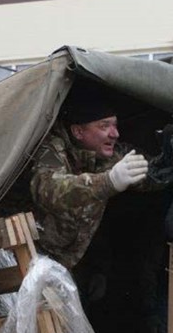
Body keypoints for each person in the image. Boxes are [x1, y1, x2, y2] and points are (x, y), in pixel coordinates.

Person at [28, 92, 150, 271]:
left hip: (70, 263)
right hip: (31, 257)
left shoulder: (107, 155)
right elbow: (49, 188)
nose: (114, 134)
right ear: (78, 131)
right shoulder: (51, 149)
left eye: (115, 125)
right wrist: (108, 182)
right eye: (104, 126)